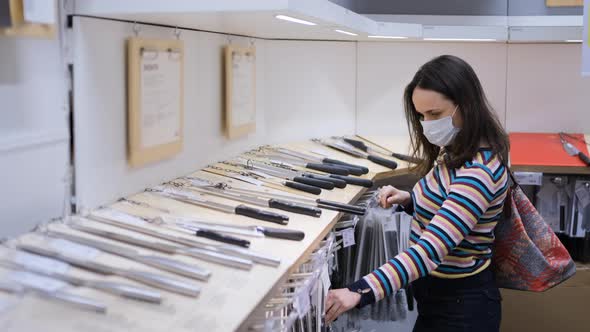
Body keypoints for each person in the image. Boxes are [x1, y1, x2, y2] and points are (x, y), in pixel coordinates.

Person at [325, 55, 510, 332]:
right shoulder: (457, 148)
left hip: (462, 308)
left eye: (434, 114)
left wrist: (359, 291)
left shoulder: (478, 173)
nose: (426, 124)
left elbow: (430, 250)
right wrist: (411, 200)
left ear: (466, 105)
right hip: (437, 296)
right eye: (421, 115)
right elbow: (453, 205)